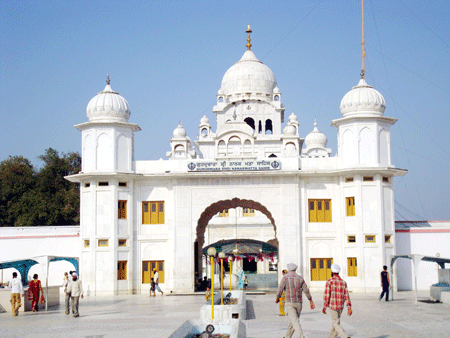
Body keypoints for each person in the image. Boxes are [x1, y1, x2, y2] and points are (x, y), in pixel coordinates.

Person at [276, 263, 315, 338]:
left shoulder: (285, 277)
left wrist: (277, 297)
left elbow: (280, 288)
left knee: (294, 321)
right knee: (294, 320)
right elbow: (306, 290)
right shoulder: (300, 278)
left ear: (288, 269)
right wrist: (310, 300)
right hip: (299, 303)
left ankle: (301, 336)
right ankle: (287, 336)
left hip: (289, 302)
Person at [322, 263, 352, 338]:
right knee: (335, 322)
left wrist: (325, 306)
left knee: (336, 323)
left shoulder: (329, 282)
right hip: (340, 307)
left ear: (332, 272)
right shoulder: (343, 283)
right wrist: (349, 307)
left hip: (333, 306)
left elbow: (327, 295)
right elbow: (346, 296)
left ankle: (345, 336)